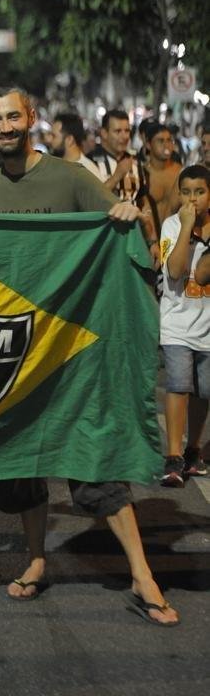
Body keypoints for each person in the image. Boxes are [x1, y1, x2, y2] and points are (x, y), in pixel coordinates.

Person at [0, 82, 179, 627]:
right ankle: (36, 559)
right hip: (11, 352)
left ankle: (143, 575)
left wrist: (124, 214)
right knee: (21, 465)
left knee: (95, 465)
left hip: (71, 353)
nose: (4, 128)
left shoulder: (69, 177)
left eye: (12, 118)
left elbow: (118, 217)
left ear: (31, 118)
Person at [159, 165, 210, 487]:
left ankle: (193, 450)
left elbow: (203, 276)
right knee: (178, 385)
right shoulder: (172, 224)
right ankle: (174, 456)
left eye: (200, 192)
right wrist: (186, 229)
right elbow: (176, 271)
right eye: (187, 191)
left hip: (207, 325)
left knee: (204, 391)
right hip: (176, 323)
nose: (192, 198)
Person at [88, 109, 159, 265]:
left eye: (127, 130)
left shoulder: (136, 162)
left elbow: (143, 201)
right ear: (104, 133)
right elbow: (90, 201)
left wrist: (152, 241)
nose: (124, 136)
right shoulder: (90, 161)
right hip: (103, 242)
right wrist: (116, 176)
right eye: (118, 131)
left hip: (135, 238)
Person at [50, 112, 103, 179]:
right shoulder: (53, 166)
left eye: (54, 136)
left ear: (70, 139)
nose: (50, 140)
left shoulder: (88, 171)